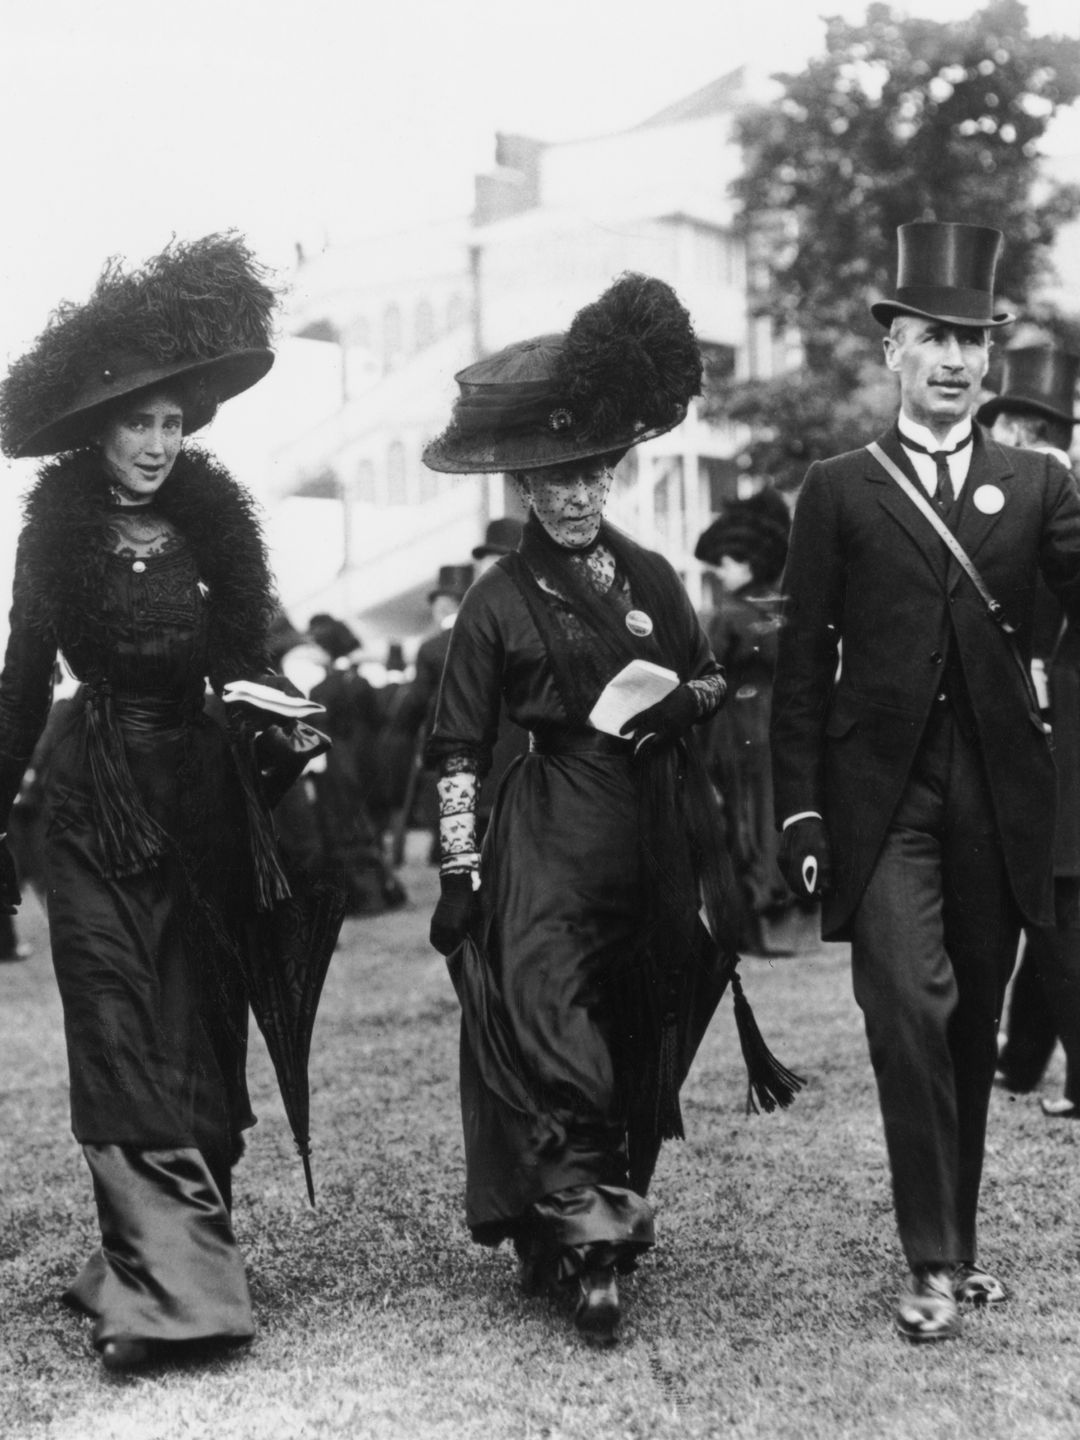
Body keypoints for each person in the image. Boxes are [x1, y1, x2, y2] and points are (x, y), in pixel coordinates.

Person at [422, 273, 790, 1344]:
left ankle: (586, 1211)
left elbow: (712, 675)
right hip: (544, 839)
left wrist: (683, 702)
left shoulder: (652, 573)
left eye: (592, 474)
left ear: (614, 471)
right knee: (552, 1022)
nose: (576, 497)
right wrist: (458, 870)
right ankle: (588, 1240)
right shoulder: (495, 599)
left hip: (652, 834)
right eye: (554, 481)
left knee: (638, 1028)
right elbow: (453, 745)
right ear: (522, 486)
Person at [770, 221, 1080, 1343]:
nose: (955, 361)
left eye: (973, 343)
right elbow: (799, 662)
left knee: (968, 1022)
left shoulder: (1036, 483)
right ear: (892, 349)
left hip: (1002, 796)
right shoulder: (840, 488)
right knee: (910, 1006)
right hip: (882, 798)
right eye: (933, 338)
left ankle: (959, 1242)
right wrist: (800, 805)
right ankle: (932, 1260)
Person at [0, 235, 305, 1372]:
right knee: (118, 1033)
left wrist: (280, 724)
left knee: (199, 1040)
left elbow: (256, 664)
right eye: (139, 425)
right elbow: (23, 680)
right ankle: (173, 1298)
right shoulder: (54, 531)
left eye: (175, 425)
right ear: (99, 426)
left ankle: (155, 1259)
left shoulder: (216, 527)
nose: (158, 446)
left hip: (201, 802)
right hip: (93, 804)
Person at [977, 347, 1080, 1117]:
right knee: (1046, 904)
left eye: (1039, 426)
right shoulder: (997, 504)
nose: (1024, 435)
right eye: (1014, 420)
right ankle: (1019, 1063)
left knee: (1058, 908)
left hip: (1062, 735)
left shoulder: (1061, 507)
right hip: (1020, 729)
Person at [695, 489, 792, 953]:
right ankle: (774, 912)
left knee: (743, 816)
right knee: (767, 811)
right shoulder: (782, 609)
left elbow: (707, 673)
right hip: (776, 721)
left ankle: (752, 917)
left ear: (749, 562)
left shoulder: (728, 616)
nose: (720, 570)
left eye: (728, 561)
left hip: (737, 724)